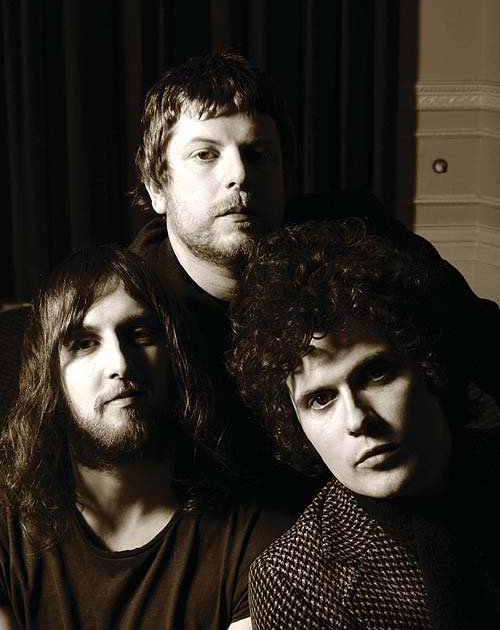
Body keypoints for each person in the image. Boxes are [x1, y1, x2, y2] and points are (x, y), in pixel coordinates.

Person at [130, 50, 500, 483]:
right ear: (156, 187)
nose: (239, 175)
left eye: (258, 153)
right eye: (205, 155)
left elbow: (479, 337)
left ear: (285, 176)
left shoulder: (357, 231)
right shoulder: (129, 309)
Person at [0, 246, 293, 630]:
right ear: (50, 376)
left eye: (139, 334)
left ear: (176, 358)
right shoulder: (6, 528)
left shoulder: (260, 540)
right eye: (85, 343)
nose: (120, 364)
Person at [229, 218, 500, 630]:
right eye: (321, 399)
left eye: (375, 374)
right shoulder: (293, 583)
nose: (357, 420)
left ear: (428, 363)